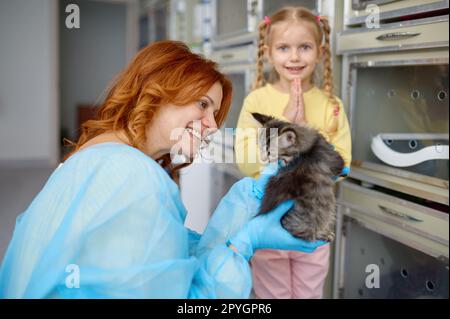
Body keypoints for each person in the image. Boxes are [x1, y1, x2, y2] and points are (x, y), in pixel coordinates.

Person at [0, 40, 325, 299]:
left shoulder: (96, 157)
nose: (211, 126)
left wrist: (248, 200)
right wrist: (243, 245)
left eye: (215, 114)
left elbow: (170, 257)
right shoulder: (135, 177)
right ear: (155, 92)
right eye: (202, 105)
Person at [235, 7, 352, 299]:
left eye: (305, 47)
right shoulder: (256, 101)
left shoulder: (331, 104)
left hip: (313, 221)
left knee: (309, 292)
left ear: (320, 51)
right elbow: (246, 162)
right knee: (271, 293)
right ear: (269, 52)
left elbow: (342, 164)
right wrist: (286, 126)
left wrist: (301, 131)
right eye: (284, 48)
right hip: (268, 220)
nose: (295, 57)